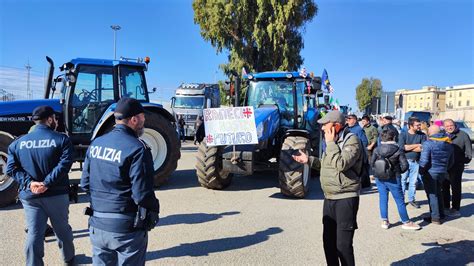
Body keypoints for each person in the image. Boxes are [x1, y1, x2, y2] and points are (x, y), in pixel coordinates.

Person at [81, 98, 160, 265]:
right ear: (133, 119)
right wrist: (154, 210)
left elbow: (85, 183)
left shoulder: (96, 143)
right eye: (142, 117)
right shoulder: (138, 148)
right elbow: (142, 194)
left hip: (97, 225)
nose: (144, 121)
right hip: (126, 230)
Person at [6, 105, 75, 265]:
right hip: (56, 195)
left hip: (30, 196)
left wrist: (30, 183)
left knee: (34, 233)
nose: (56, 122)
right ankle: (69, 260)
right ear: (50, 119)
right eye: (55, 119)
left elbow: (10, 168)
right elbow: (65, 164)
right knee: (62, 230)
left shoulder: (18, 143)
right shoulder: (61, 139)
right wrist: (47, 183)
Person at [292, 110, 362, 266]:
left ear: (336, 125)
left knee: (343, 246)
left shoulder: (352, 141)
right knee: (328, 243)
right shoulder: (332, 142)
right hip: (329, 197)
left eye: (325, 124)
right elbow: (327, 165)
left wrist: (330, 143)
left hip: (345, 197)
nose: (322, 128)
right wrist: (309, 160)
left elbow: (341, 164)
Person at [371, 129, 420, 230]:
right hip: (394, 177)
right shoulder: (398, 149)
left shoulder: (377, 149)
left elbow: (372, 164)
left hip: (379, 177)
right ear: (394, 137)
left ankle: (384, 221)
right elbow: (405, 165)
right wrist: (398, 171)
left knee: (383, 198)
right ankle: (406, 221)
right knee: (399, 200)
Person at [419, 125, 454, 224]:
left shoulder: (428, 143)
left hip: (430, 172)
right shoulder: (448, 143)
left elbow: (424, 161)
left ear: (430, 133)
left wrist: (421, 171)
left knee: (432, 194)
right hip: (442, 172)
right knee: (438, 192)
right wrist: (445, 169)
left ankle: (435, 217)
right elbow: (451, 161)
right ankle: (441, 214)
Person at [443, 119, 472, 217]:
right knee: (444, 187)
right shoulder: (442, 135)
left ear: (454, 125)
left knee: (456, 188)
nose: (449, 127)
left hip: (457, 167)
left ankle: (455, 208)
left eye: (451, 125)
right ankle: (445, 207)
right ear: (444, 127)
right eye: (447, 126)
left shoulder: (463, 135)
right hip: (444, 167)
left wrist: (460, 161)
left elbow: (469, 153)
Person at [399, 117, 426, 209]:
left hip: (416, 162)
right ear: (411, 126)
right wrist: (417, 145)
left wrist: (409, 147)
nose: (419, 126)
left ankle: (411, 199)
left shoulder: (422, 135)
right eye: (417, 125)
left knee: (413, 182)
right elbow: (402, 147)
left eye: (420, 124)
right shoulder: (403, 134)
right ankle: (401, 200)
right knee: (402, 181)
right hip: (404, 161)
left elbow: (422, 148)